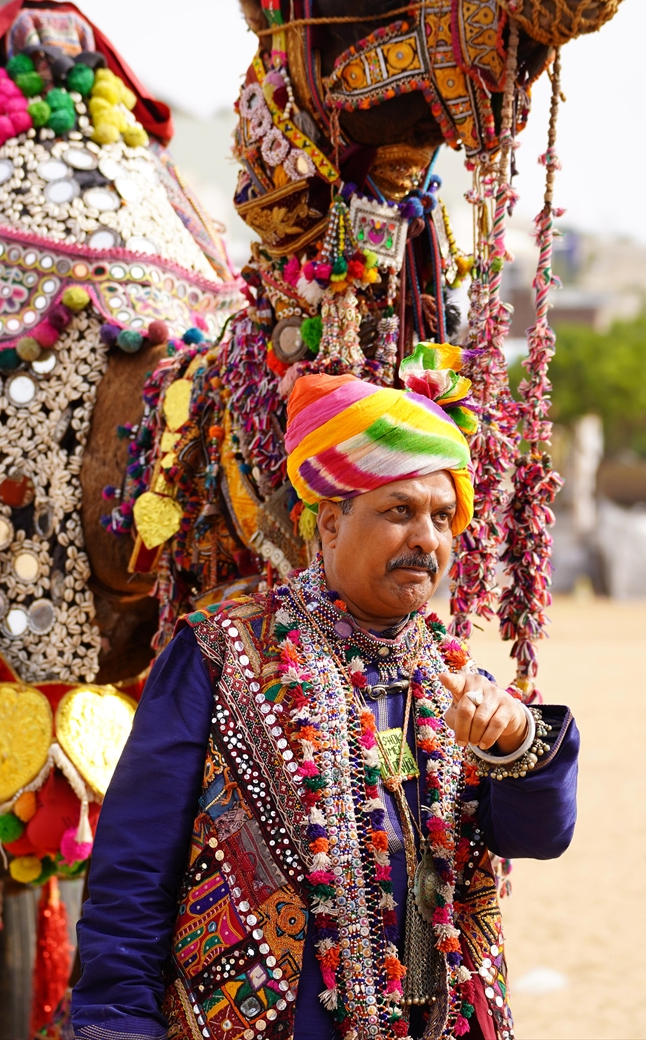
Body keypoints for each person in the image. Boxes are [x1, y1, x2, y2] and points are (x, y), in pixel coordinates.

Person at [72, 344, 578, 1040]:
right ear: (331, 522)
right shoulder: (221, 652)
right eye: (399, 510)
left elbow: (539, 834)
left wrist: (519, 742)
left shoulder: (452, 674)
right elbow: (132, 874)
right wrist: (115, 1025)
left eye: (441, 517)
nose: (425, 539)